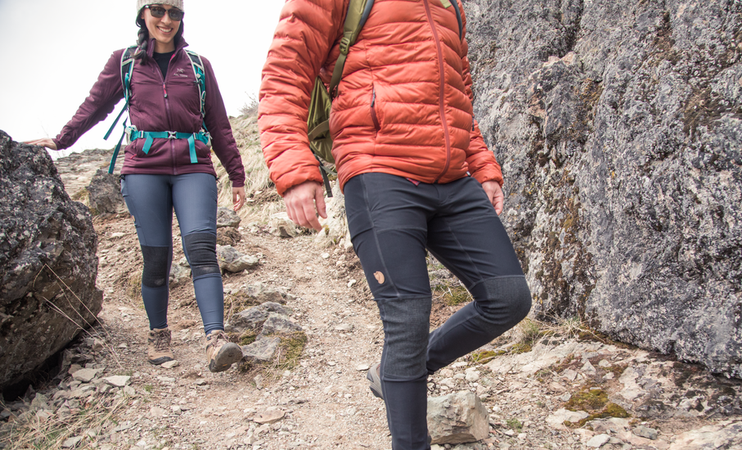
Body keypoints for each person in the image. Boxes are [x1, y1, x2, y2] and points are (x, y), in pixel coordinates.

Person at [258, 1, 532, 448]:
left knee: (508, 298)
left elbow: (457, 92)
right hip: (378, 166)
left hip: (452, 176)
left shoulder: (449, 3)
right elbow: (285, 74)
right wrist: (294, 169)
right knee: (407, 318)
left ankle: (394, 373)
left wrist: (482, 165)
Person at [26, 0, 245, 374]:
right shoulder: (124, 62)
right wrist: (62, 140)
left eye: (174, 13)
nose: (166, 20)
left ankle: (215, 338)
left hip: (193, 166)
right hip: (144, 167)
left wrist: (237, 175)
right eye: (158, 11)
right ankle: (159, 333)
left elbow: (219, 123)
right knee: (156, 258)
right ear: (143, 14)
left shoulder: (197, 65)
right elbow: (96, 105)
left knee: (202, 250)